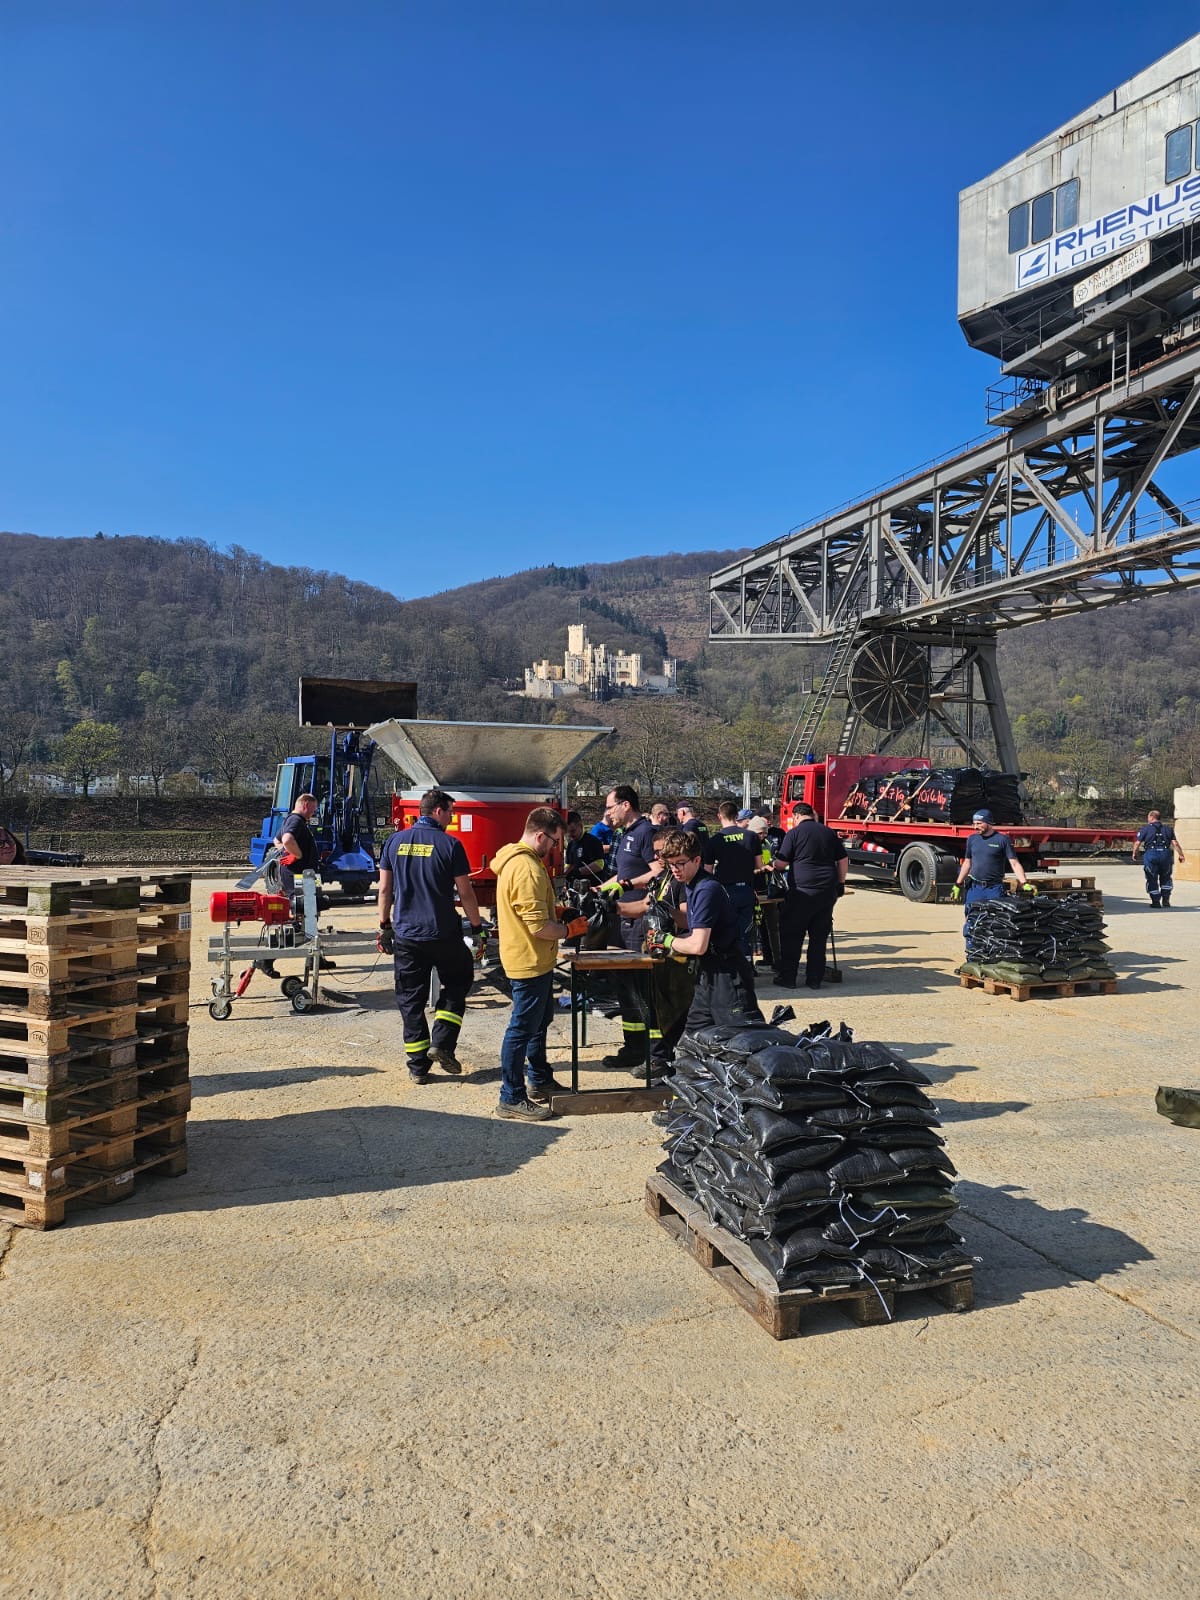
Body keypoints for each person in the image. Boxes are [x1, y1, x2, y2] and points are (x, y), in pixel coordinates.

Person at [377, 787, 485, 1082]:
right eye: (450, 813)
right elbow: (466, 893)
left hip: (407, 935)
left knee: (411, 999)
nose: (451, 818)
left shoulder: (394, 842)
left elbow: (385, 890)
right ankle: (442, 1043)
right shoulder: (451, 845)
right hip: (443, 933)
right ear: (438, 811)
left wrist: (384, 926)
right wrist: (477, 928)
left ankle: (418, 1067)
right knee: (459, 981)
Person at [492, 808, 590, 1120]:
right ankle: (511, 1096)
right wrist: (569, 930)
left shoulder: (520, 861)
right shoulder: (526, 868)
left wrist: (557, 911)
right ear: (540, 835)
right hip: (529, 960)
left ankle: (540, 1079)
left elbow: (530, 910)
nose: (556, 848)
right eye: (555, 841)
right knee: (522, 1028)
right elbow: (537, 927)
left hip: (535, 958)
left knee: (539, 1022)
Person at [646, 830, 763, 1034]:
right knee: (692, 1038)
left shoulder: (706, 889)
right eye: (671, 864)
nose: (675, 869)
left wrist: (665, 940)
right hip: (708, 974)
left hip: (728, 976)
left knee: (742, 1039)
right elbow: (695, 935)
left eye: (680, 863)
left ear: (697, 860)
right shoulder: (691, 884)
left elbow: (698, 945)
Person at [597, 785, 659, 1068]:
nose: (608, 813)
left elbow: (658, 871)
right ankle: (633, 1047)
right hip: (622, 919)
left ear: (626, 805)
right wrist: (599, 890)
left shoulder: (646, 832)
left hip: (639, 919)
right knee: (624, 986)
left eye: (610, 807)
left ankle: (654, 1052)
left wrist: (625, 886)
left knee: (641, 987)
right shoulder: (624, 835)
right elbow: (623, 875)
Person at [774, 801, 848, 989]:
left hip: (801, 892)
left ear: (796, 816)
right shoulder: (828, 832)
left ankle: (788, 978)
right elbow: (843, 859)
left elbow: (781, 864)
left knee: (792, 937)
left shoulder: (794, 834)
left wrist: (772, 864)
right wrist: (841, 883)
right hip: (826, 891)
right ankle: (814, 979)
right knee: (818, 938)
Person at [702, 801, 762, 958]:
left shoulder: (714, 840)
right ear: (736, 816)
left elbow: (707, 871)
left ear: (719, 816)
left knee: (726, 930)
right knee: (745, 931)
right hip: (746, 889)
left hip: (724, 892)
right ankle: (746, 964)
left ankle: (729, 964)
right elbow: (759, 865)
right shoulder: (752, 836)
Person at [950, 809, 1030, 923]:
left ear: (988, 822)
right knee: (971, 921)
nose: (975, 827)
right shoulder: (972, 839)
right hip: (975, 888)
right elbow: (967, 863)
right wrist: (957, 884)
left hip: (994, 889)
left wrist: (1024, 883)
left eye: (979, 823)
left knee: (994, 922)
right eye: (974, 824)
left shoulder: (1002, 840)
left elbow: (1015, 863)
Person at [1132, 809, 1185, 907]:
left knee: (1151, 877)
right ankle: (1166, 899)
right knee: (1166, 877)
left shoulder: (1146, 829)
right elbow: (1175, 843)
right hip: (1165, 855)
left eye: (1148, 817)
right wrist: (1181, 855)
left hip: (1151, 854)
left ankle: (1156, 902)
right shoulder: (1168, 829)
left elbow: (1137, 843)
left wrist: (1135, 853)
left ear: (1152, 817)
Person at [276, 793, 320, 898]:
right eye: (313, 809)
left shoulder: (292, 820)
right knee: (304, 904)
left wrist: (288, 852)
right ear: (306, 805)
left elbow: (277, 840)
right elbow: (287, 840)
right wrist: (297, 855)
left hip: (306, 873)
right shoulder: (296, 820)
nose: (313, 813)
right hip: (299, 873)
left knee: (312, 903)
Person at [563, 811, 607, 886]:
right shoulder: (570, 845)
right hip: (576, 886)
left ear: (580, 826)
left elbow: (599, 864)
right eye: (568, 832)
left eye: (573, 831)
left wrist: (579, 871)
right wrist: (564, 874)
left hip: (593, 886)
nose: (570, 835)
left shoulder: (593, 841)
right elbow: (569, 864)